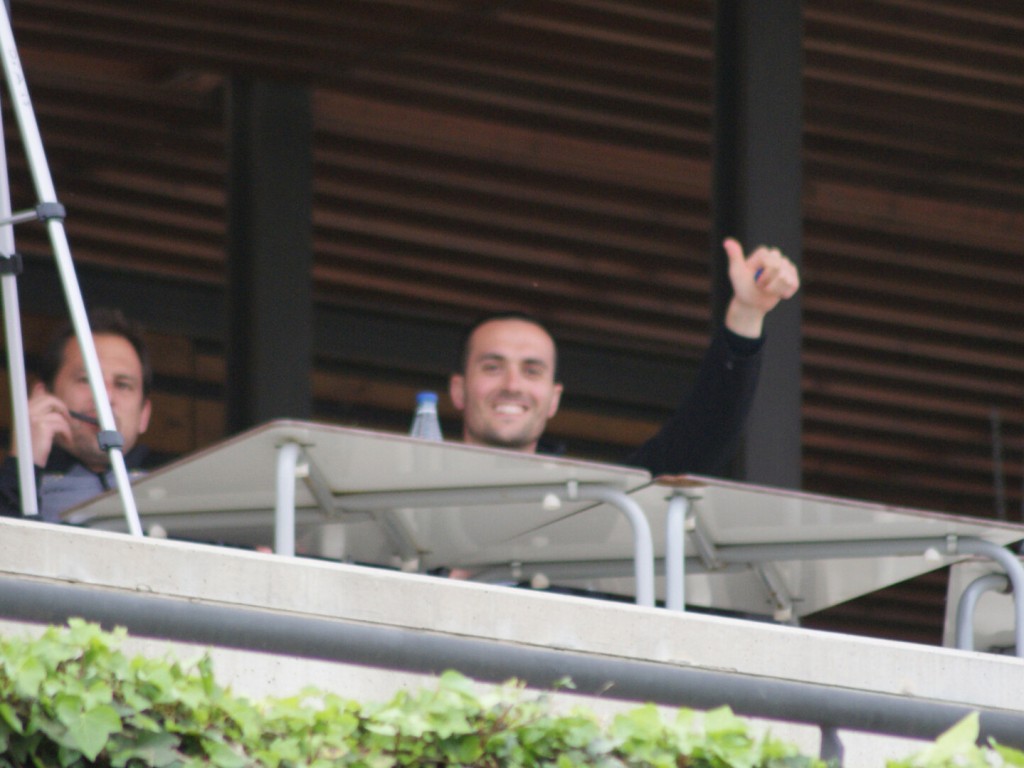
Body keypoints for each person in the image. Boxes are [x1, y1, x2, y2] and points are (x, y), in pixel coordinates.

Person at [449, 238, 800, 476]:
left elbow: (698, 443)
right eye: (492, 367)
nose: (513, 385)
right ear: (458, 390)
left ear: (554, 399)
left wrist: (746, 315)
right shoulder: (412, 493)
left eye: (532, 371)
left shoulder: (588, 505)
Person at [0, 308, 167, 521]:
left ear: (144, 415)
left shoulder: (177, 496)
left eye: (123, 385)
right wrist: (21, 469)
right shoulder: (11, 485)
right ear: (43, 397)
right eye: (86, 380)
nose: (105, 397)